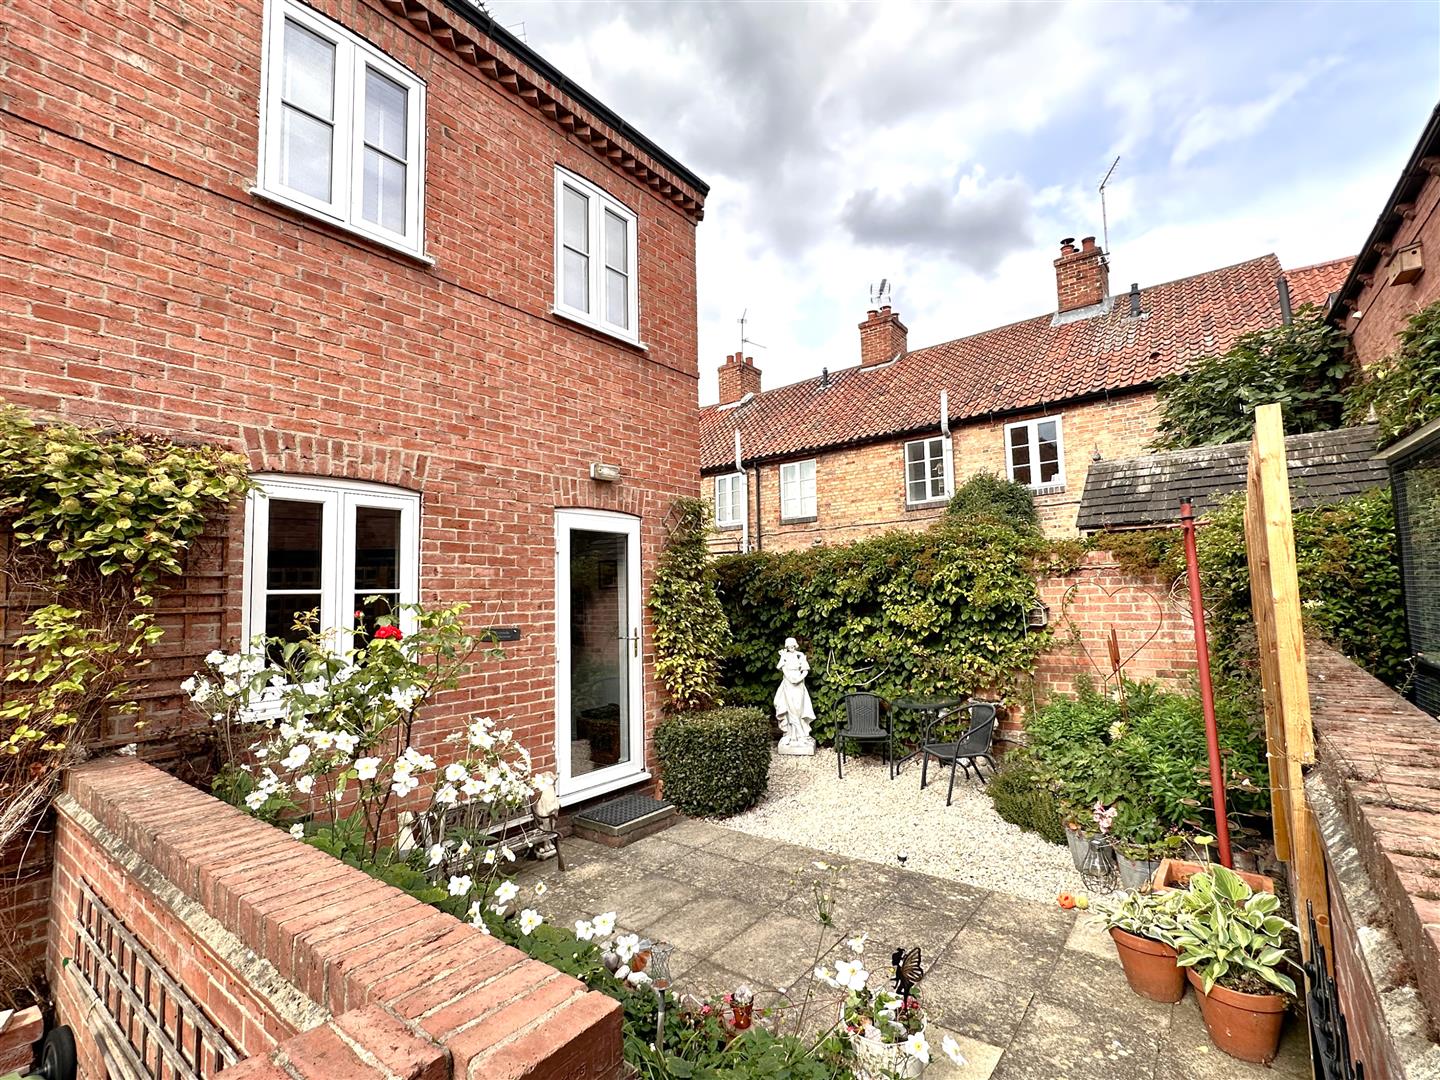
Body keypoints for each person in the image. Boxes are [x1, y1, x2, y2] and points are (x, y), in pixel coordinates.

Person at [774, 637, 816, 751]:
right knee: (788, 708)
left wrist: (798, 679)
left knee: (798, 708)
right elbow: (780, 667)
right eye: (789, 646)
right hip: (787, 684)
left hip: (798, 684)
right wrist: (783, 657)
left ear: (795, 645)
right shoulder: (785, 655)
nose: (791, 648)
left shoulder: (800, 655)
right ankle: (793, 734)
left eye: (792, 646)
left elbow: (805, 670)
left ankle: (798, 734)